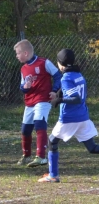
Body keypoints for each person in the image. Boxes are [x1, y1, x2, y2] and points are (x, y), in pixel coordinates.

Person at [38, 49, 99, 182]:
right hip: (83, 116)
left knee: (52, 141)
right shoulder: (78, 75)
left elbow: (75, 98)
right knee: (93, 148)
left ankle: (53, 176)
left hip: (69, 118)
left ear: (61, 64)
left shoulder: (66, 77)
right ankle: (52, 175)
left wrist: (59, 100)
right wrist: (60, 94)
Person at [14, 39, 62, 167]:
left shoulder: (44, 62)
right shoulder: (23, 68)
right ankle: (26, 156)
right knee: (25, 130)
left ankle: (41, 156)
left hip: (42, 100)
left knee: (39, 125)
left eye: (18, 53)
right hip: (29, 102)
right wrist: (26, 87)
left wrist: (54, 91)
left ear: (25, 52)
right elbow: (22, 87)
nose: (16, 56)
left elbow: (58, 76)